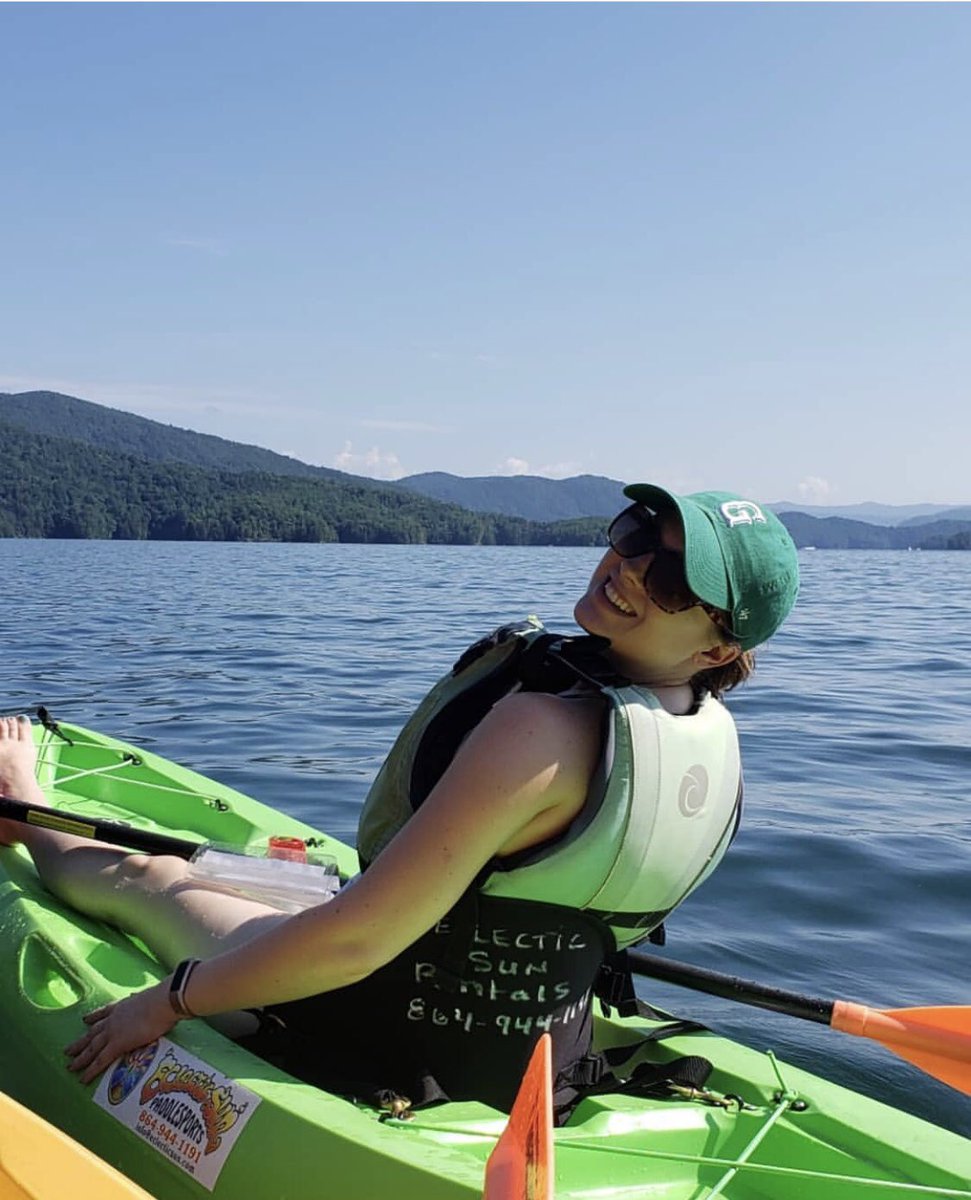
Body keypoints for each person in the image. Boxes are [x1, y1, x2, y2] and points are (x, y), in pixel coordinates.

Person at [0, 483, 799, 1113]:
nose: (624, 567)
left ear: (719, 643)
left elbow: (355, 944)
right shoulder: (705, 737)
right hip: (547, 1053)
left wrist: (168, 1002)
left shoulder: (541, 725)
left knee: (154, 881)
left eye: (665, 576)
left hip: (385, 1026)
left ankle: (21, 803)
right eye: (631, 537)